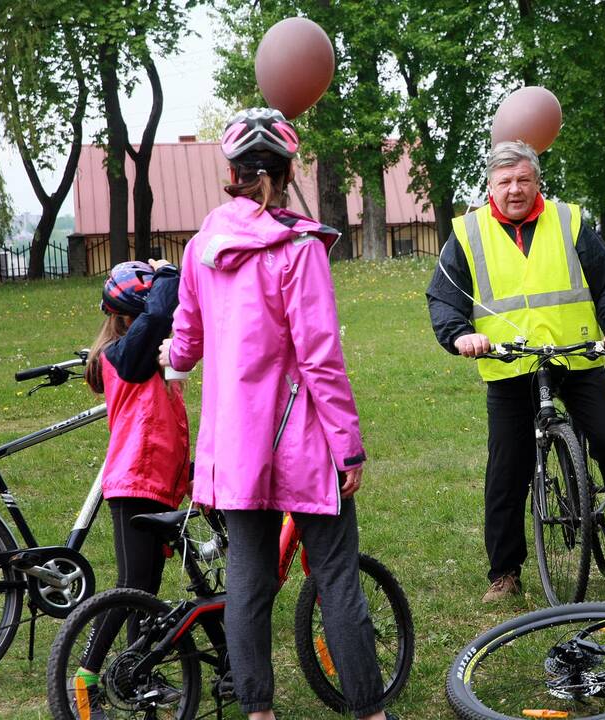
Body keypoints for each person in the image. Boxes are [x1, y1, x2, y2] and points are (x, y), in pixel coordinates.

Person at [159, 107, 393, 720]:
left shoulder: (202, 246)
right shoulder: (299, 247)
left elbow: (187, 335)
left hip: (237, 443)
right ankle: (369, 711)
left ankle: (257, 711)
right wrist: (348, 445)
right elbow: (319, 359)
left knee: (248, 579)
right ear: (287, 172)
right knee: (337, 576)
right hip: (304, 439)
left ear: (231, 173)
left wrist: (172, 359)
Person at [426, 140, 605, 602]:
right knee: (507, 469)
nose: (514, 189)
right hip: (510, 365)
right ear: (490, 186)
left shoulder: (568, 221)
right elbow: (444, 298)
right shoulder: (467, 234)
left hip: (577, 356)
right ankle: (504, 572)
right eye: (504, 181)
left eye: (523, 179)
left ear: (537, 182)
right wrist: (460, 335)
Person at [74, 259, 191, 714]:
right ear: (130, 317)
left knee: (145, 592)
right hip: (134, 484)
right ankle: (85, 678)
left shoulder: (144, 358)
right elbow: (160, 313)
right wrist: (167, 274)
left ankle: (135, 673)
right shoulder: (125, 357)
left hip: (157, 484)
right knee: (130, 587)